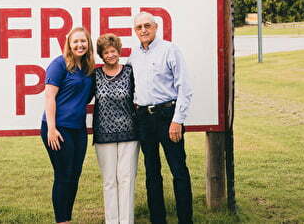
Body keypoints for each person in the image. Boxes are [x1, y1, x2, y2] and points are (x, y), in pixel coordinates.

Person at [128, 12, 194, 224]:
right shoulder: (133, 56)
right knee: (152, 173)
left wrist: (178, 120)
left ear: (156, 27)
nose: (143, 30)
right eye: (139, 27)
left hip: (168, 116)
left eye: (147, 25)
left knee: (178, 170)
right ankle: (158, 219)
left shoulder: (169, 50)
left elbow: (185, 87)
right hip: (144, 119)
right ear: (135, 31)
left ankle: (185, 220)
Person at [41, 27, 95, 224]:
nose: (80, 45)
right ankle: (62, 220)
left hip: (78, 129)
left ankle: (67, 218)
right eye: (76, 41)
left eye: (83, 41)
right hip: (58, 128)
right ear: (69, 44)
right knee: (63, 175)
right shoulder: (59, 64)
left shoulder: (88, 68)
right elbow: (49, 96)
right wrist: (52, 128)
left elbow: (87, 97)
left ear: (88, 44)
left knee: (74, 175)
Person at [92, 33, 140, 224]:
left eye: (113, 51)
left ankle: (126, 221)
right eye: (106, 52)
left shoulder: (129, 72)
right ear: (101, 55)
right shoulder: (95, 75)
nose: (110, 55)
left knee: (126, 179)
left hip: (130, 133)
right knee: (110, 181)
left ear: (118, 51)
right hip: (103, 134)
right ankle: (112, 221)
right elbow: (81, 96)